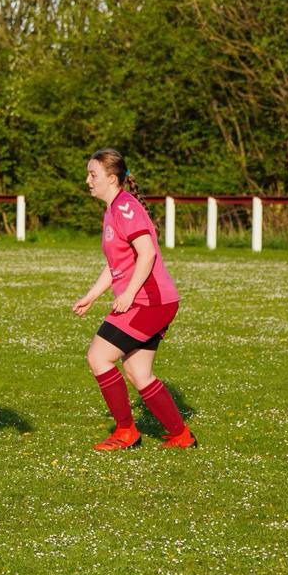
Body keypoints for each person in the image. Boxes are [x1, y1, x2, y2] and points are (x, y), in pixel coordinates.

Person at [72, 149, 194, 450]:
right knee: (139, 373)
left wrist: (128, 293)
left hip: (150, 302)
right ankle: (181, 436)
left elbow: (147, 253)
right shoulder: (113, 209)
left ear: (112, 179)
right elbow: (116, 264)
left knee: (98, 357)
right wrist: (91, 296)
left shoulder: (125, 207)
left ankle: (126, 431)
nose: (88, 180)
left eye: (93, 174)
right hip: (151, 302)